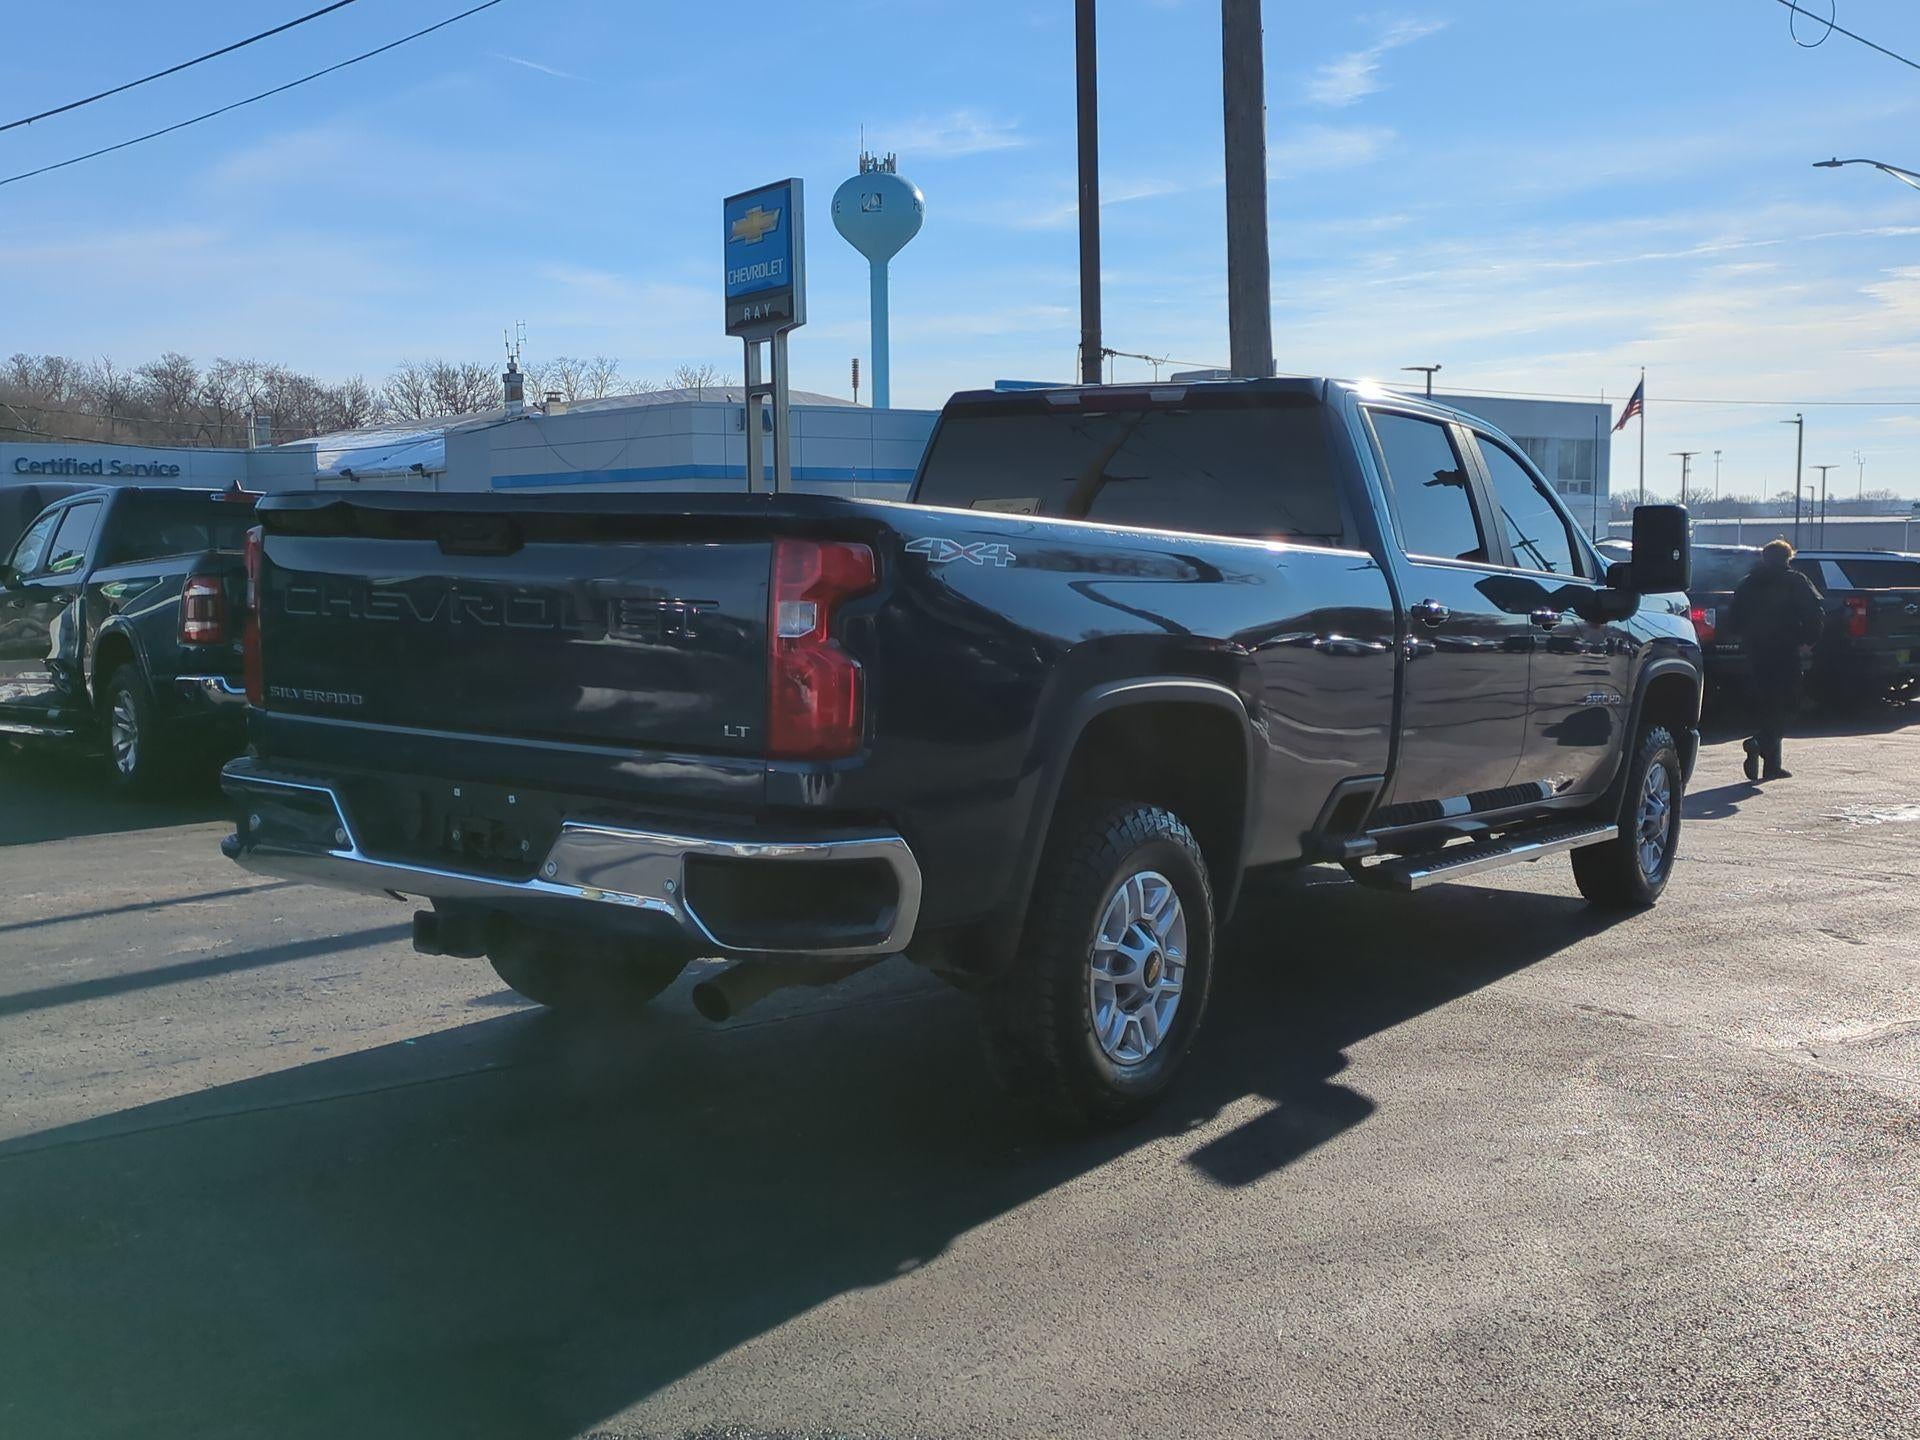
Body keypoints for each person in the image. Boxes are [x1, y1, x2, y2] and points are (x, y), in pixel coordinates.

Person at [1726, 538, 1824, 782]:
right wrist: (1809, 638)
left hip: (1755, 650)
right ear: (1788, 558)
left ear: (1763, 557)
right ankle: (1761, 741)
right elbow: (1814, 611)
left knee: (1768, 702)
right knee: (1789, 701)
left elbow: (1733, 616)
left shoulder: (1747, 583)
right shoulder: (1795, 581)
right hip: (1784, 648)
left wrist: (1744, 637)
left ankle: (1772, 766)